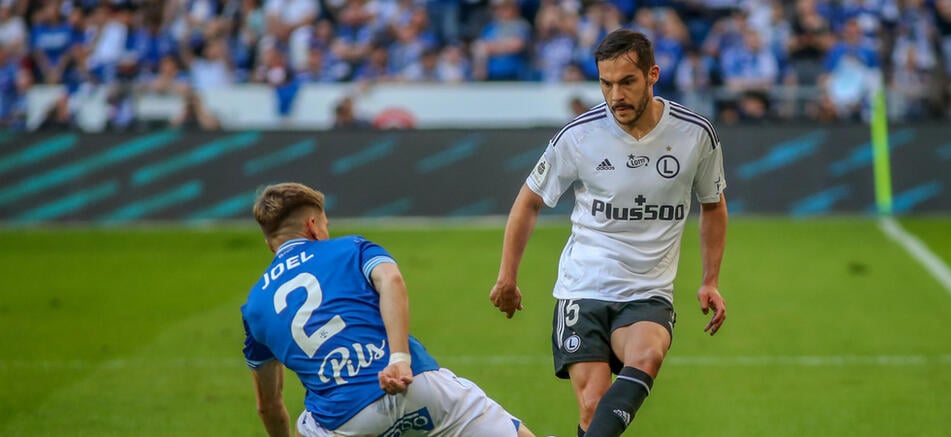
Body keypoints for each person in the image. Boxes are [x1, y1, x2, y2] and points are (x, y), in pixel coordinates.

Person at [489, 29, 728, 437]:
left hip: (647, 290)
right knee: (592, 407)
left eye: (627, 82)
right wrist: (507, 277)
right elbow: (528, 202)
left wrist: (710, 280)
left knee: (648, 355)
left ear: (653, 75)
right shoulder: (579, 136)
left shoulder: (695, 135)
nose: (615, 94)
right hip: (584, 285)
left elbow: (712, 205)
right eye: (606, 83)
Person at [243, 183, 536, 437]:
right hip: (416, 386)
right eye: (325, 224)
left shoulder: (254, 306)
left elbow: (268, 406)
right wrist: (399, 359)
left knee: (305, 426)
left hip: (344, 421)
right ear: (312, 227)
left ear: (271, 245)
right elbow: (391, 279)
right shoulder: (352, 248)